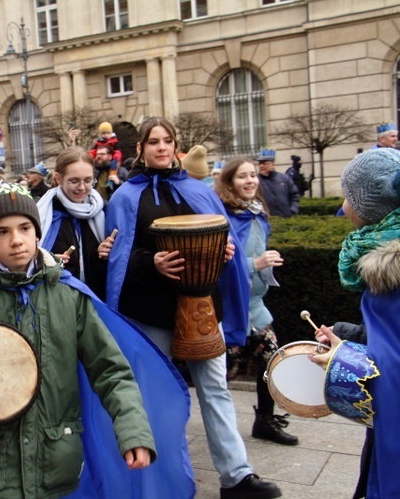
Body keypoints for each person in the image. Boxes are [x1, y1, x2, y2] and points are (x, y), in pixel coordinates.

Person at [0, 180, 195, 499]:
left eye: (25, 228)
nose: (16, 240)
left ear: (37, 232)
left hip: (58, 461)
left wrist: (133, 430)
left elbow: (111, 371)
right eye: (2, 232)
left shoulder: (68, 295)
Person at [106, 117, 282, 499]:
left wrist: (226, 250)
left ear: (176, 146)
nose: (161, 148)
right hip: (149, 309)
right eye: (153, 141)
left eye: (167, 141)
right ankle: (159, 479)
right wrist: (149, 263)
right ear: (141, 149)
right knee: (156, 395)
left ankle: (237, 477)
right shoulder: (124, 196)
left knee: (215, 389)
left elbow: (222, 236)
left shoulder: (197, 189)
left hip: (203, 305)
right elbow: (117, 255)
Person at [310, 148, 400, 499]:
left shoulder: (388, 278)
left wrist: (340, 364)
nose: (343, 207)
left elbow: (391, 373)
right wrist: (348, 338)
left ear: (369, 208)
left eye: (348, 197)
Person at [215, 157, 299, 446]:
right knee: (219, 377)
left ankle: (265, 421)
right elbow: (217, 266)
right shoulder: (221, 219)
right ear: (228, 183)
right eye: (242, 176)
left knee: (271, 364)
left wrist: (266, 266)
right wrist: (256, 263)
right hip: (229, 312)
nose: (250, 180)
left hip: (256, 308)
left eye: (253, 175)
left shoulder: (259, 213)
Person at [36, 147, 114, 298]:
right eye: (74, 181)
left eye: (88, 180)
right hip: (57, 304)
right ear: (58, 179)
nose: (82, 188)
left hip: (95, 302)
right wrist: (47, 262)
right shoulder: (42, 213)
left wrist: (103, 255)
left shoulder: (103, 210)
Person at [257, 148, 300, 217]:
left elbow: (295, 196)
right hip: (266, 220)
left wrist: (293, 210)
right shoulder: (255, 181)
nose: (261, 166)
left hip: (285, 219)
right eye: (260, 163)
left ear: (273, 165)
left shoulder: (285, 178)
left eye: (264, 163)